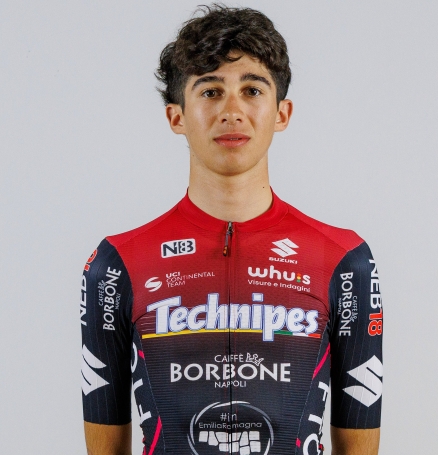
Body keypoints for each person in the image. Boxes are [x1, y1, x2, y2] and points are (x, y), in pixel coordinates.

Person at [80, 5, 383, 455]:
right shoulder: (116, 263)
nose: (232, 110)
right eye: (210, 91)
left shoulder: (343, 259)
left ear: (282, 113)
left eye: (252, 89)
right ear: (176, 117)